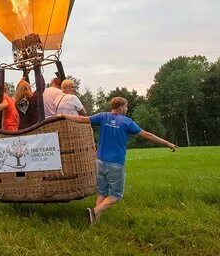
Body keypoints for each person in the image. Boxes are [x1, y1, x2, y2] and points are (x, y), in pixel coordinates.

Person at [60, 96, 177, 225]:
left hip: (100, 161)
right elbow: (148, 135)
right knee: (116, 196)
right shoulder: (127, 122)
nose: (127, 109)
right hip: (115, 164)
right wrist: (168, 144)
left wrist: (65, 116)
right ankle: (93, 212)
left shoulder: (103, 116)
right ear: (120, 107)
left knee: (102, 193)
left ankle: (94, 222)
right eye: (126, 106)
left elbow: (81, 119)